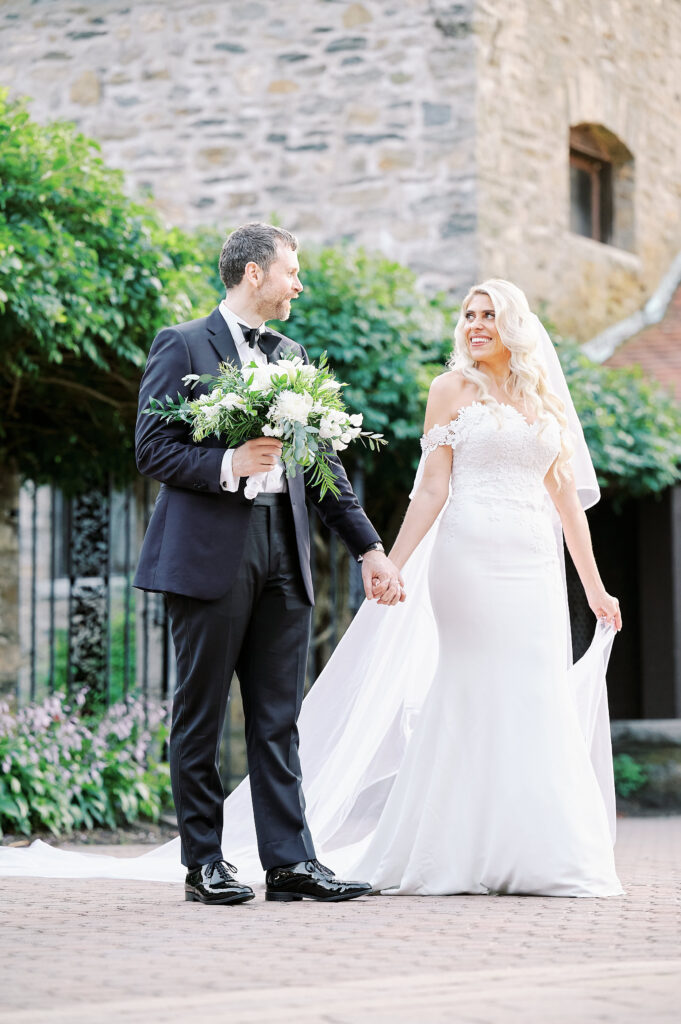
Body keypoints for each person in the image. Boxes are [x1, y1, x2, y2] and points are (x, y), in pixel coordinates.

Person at [133, 222, 404, 905]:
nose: (298, 282)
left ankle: (289, 863)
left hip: (285, 550)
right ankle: (205, 862)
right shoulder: (183, 344)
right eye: (292, 270)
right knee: (199, 713)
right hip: (207, 552)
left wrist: (369, 548)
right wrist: (227, 461)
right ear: (254, 273)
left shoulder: (291, 351)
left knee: (278, 717)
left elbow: (325, 466)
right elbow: (151, 449)